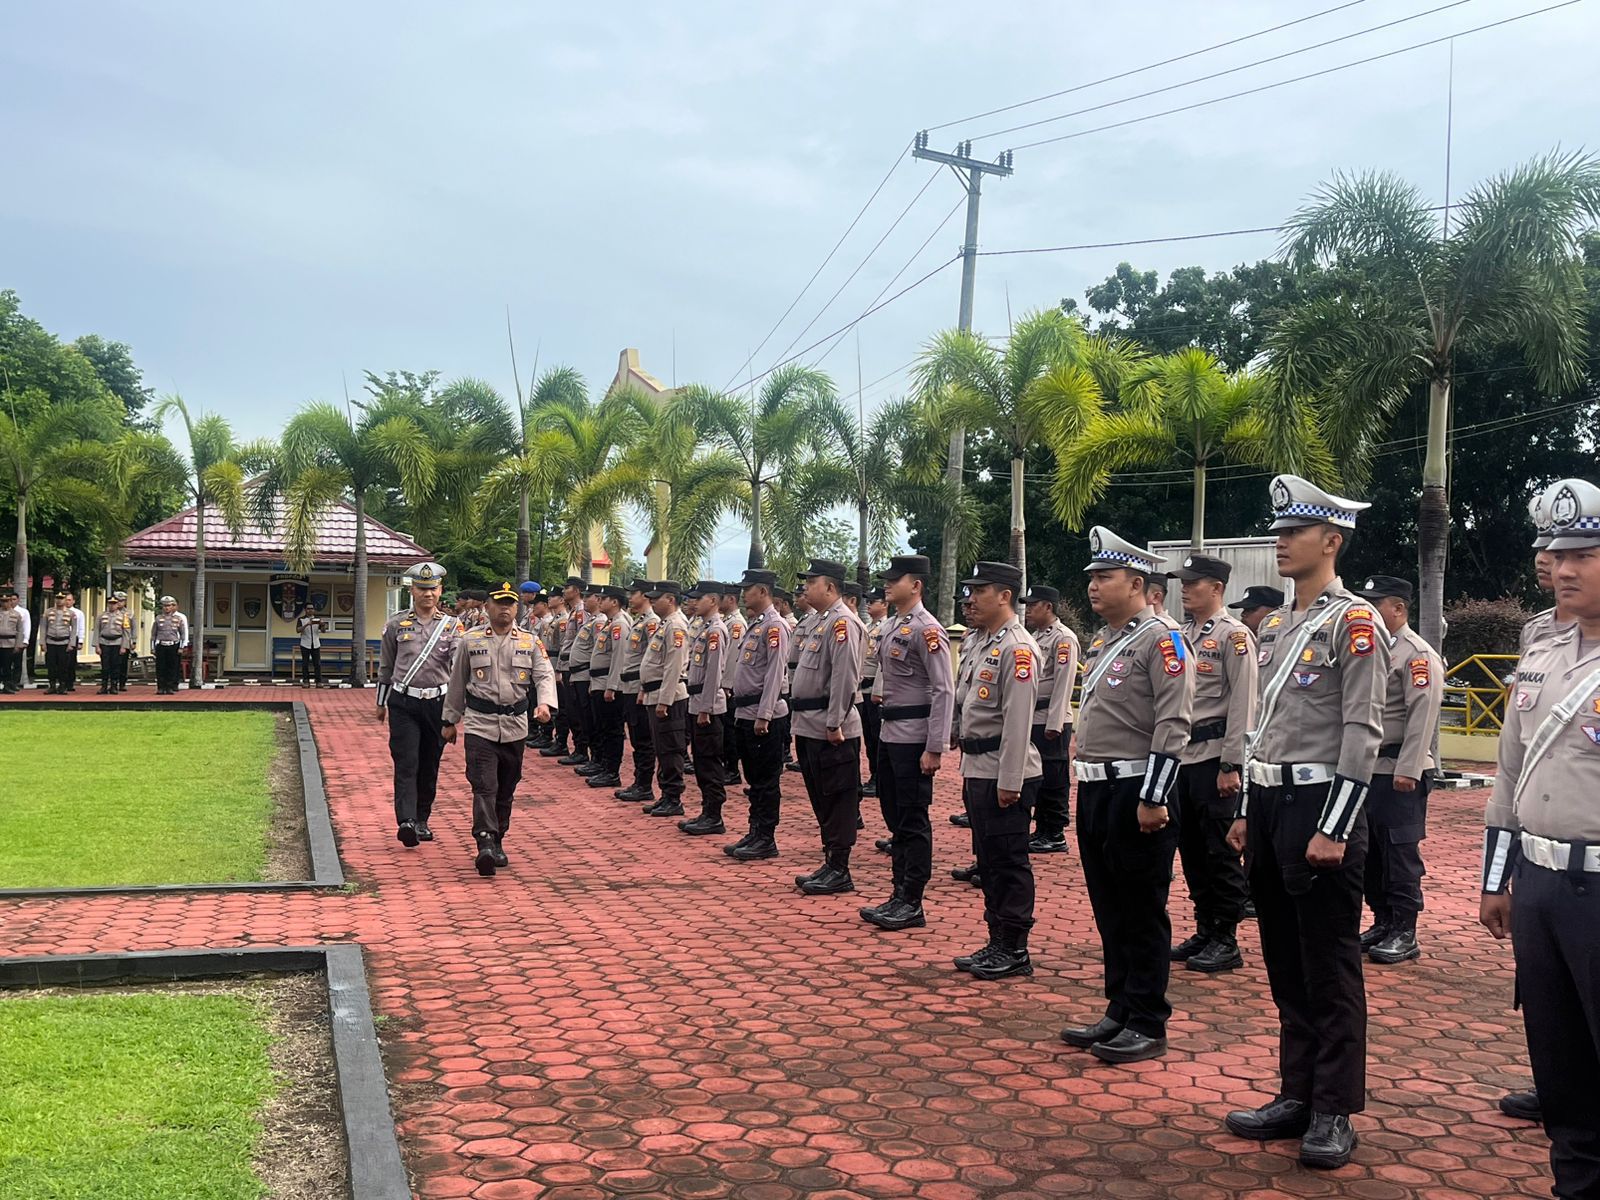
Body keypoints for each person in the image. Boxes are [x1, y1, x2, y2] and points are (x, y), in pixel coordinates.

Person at [1223, 475, 1385, 1170]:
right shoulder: (1281, 624)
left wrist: (1338, 826)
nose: (1280, 543)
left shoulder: (1355, 621)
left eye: (1294, 532)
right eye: (1279, 531)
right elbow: (1263, 727)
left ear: (1331, 540)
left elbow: (1364, 731)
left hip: (1323, 810)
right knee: (1286, 965)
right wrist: (1242, 812)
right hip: (1271, 805)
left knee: (1331, 967)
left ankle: (1334, 1107)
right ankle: (1296, 1092)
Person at [1481, 476, 1600, 1197]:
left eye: (1585, 554)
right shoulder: (1546, 650)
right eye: (1558, 554)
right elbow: (1508, 774)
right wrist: (1497, 880)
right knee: (1561, 1069)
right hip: (1541, 885)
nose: (1564, 568)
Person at [1058, 530, 1194, 1063]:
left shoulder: (1163, 639)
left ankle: (1148, 1019)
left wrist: (1154, 795)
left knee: (1141, 909)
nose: (1093, 586)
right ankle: (1119, 1006)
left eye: (1104, 577)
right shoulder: (1106, 640)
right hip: (1097, 788)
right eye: (1092, 577)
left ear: (1137, 584)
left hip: (1139, 791)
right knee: (1109, 907)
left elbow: (1173, 722)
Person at [944, 562, 1042, 980]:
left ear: (1004, 595)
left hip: (1005, 770)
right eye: (969, 591)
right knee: (988, 860)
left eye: (978, 591)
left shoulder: (1017, 648)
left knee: (1008, 862)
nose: (970, 599)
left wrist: (1010, 781)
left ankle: (1014, 948)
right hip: (978, 766)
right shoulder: (981, 642)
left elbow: (1018, 723)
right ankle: (996, 939)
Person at [1169, 553, 1257, 974]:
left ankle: (1226, 936)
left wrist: (1231, 764)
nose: (1184, 588)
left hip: (1214, 759)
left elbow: (1243, 703)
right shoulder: (1181, 633)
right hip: (1183, 759)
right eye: (1183, 583)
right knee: (1190, 850)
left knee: (1220, 851)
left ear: (1216, 588)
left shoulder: (1233, 636)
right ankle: (1205, 927)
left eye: (1193, 583)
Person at [1354, 575, 1444, 966]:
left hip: (1399, 772)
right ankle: (1382, 920)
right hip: (1368, 769)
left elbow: (1422, 715)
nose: (1370, 610)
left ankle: (1405, 929)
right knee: (1369, 851)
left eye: (1377, 604)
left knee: (1399, 852)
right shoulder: (1370, 647)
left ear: (1399, 609)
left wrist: (1407, 769)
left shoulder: (1416, 653)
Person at [861, 556, 954, 929]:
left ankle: (912, 899)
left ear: (915, 585)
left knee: (913, 820)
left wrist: (935, 746)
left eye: (895, 579)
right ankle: (898, 891)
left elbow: (943, 689)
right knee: (894, 816)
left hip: (914, 737)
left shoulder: (927, 629)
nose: (887, 585)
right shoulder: (892, 625)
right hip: (889, 733)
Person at [441, 581, 555, 877]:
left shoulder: (530, 641)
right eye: (499, 602)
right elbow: (457, 681)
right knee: (484, 785)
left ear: (517, 608)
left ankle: (498, 837)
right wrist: (449, 720)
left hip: (516, 726)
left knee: (506, 788)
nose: (504, 608)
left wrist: (544, 705)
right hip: (480, 724)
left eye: (510, 603)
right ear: (488, 606)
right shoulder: (471, 639)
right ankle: (485, 842)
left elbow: (544, 675)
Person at [788, 560, 866, 896]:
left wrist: (835, 722)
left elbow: (844, 678)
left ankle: (840, 867)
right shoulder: (819, 622)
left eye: (811, 582)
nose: (805, 587)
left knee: (838, 798)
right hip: (808, 724)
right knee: (821, 796)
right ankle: (830, 860)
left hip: (829, 727)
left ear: (830, 588)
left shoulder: (842, 624)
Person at [376, 561, 466, 847]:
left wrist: (454, 712)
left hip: (436, 704)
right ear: (412, 590)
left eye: (433, 589)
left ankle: (422, 818)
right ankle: (406, 821)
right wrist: (381, 703)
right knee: (406, 762)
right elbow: (386, 667)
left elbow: (458, 666)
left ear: (440, 591)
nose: (428, 594)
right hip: (403, 702)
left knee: (429, 763)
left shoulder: (452, 626)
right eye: (422, 588)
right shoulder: (395, 623)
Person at [726, 570, 790, 861]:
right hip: (746, 711)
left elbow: (775, 673)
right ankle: (755, 831)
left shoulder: (775, 626)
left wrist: (764, 715)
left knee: (766, 780)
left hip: (764, 716)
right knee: (753, 779)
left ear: (763, 591)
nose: (743, 594)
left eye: (748, 589)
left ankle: (766, 837)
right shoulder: (756, 625)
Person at [1020, 584, 1079, 855]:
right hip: (1033, 716)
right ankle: (1041, 829)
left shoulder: (1063, 638)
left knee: (1054, 777)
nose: (1029, 610)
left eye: (1033, 605)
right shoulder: (1035, 636)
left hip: (1051, 720)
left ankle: (1054, 832)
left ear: (1048, 607)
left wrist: (1055, 723)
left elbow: (1064, 684)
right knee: (1037, 776)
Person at [680, 581, 730, 835]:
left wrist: (706, 708)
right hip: (697, 701)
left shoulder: (716, 631)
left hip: (707, 706)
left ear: (712, 600)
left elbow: (714, 673)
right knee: (701, 761)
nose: (694, 603)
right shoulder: (704, 628)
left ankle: (714, 815)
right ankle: (707, 812)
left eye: (699, 599)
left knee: (709, 762)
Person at [639, 581, 691, 817]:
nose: (651, 601)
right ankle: (666, 795)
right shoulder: (665, 624)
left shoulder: (676, 625)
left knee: (671, 749)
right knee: (662, 748)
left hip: (667, 695)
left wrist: (665, 700)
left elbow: (674, 666)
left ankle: (673, 797)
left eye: (656, 597)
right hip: (654, 692)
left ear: (670, 599)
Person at [612, 580, 660, 804]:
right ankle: (639, 782)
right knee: (635, 737)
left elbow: (651, 659)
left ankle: (644, 785)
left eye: (635, 594)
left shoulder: (652, 623)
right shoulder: (640, 621)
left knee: (643, 739)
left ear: (646, 596)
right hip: (629, 686)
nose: (630, 598)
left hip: (639, 687)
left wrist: (643, 688)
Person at [582, 585, 628, 790]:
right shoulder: (610, 623)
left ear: (615, 602)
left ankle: (612, 771)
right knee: (602, 726)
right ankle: (604, 766)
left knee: (612, 729)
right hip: (599, 682)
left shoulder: (620, 624)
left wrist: (612, 686)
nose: (599, 602)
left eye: (604, 599)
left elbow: (619, 657)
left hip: (609, 684)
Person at [544, 576, 586, 760]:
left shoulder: (581, 612)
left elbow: (578, 643)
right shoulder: (573, 613)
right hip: (566, 664)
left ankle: (580, 750)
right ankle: (574, 747)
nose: (563, 591)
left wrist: (561, 668)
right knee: (566, 707)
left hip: (573, 666)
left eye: (567, 587)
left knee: (573, 710)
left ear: (576, 590)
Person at [858, 588, 889, 799]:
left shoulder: (886, 627)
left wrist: (879, 689)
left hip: (874, 690)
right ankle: (874, 775)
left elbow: (882, 664)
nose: (868, 605)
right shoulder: (869, 627)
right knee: (869, 737)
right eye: (867, 602)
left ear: (885, 604)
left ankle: (879, 779)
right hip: (864, 688)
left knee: (876, 738)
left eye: (873, 602)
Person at [568, 586, 601, 773]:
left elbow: (597, 652)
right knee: (581, 716)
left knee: (592, 720)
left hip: (588, 675)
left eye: (590, 596)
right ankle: (593, 757)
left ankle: (597, 759)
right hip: (578, 673)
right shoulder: (594, 621)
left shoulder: (599, 622)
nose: (585, 599)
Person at [718, 584, 747, 787]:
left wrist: (726, 685)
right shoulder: (726, 622)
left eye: (722, 598)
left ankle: (732, 769)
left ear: (731, 599)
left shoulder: (736, 624)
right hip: (724, 685)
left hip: (729, 687)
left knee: (729, 729)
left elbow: (732, 657)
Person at [43, 590, 84, 694]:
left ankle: (62, 685)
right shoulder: (48, 612)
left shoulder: (71, 613)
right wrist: (42, 643)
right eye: (58, 598)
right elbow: (44, 628)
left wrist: (72, 643)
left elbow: (74, 629)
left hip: (64, 642)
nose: (59, 601)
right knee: (51, 665)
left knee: (63, 665)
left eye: (62, 599)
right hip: (51, 641)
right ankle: (52, 685)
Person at [95, 592, 133, 694]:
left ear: (117, 604)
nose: (112, 605)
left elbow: (126, 632)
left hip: (117, 642)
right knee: (105, 666)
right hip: (104, 642)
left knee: (115, 665)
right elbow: (97, 631)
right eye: (110, 603)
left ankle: (114, 685)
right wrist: (97, 645)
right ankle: (103, 686)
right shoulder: (101, 616)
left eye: (114, 603)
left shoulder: (124, 616)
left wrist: (124, 646)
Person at [151, 595, 189, 695]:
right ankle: (161, 687)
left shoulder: (178, 618)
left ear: (173, 607)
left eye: (169, 606)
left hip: (173, 645)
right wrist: (153, 647)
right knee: (160, 667)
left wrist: (181, 647)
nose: (167, 608)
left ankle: (169, 687)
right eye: (165, 606)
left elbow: (182, 634)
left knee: (171, 667)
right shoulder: (158, 618)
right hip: (161, 645)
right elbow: (153, 634)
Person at [0, 587, 25, 694]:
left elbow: (20, 631)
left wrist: (18, 645)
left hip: (10, 643)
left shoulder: (16, 615)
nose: (4, 603)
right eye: (2, 601)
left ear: (11, 601)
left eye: (7, 601)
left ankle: (7, 685)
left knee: (7, 666)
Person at [297, 603, 325, 686]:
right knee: (305, 663)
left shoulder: (317, 619)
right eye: (308, 608)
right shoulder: (301, 619)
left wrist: (322, 625)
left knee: (317, 663)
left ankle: (318, 681)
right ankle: (306, 680)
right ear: (305, 610)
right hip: (305, 643)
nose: (310, 610)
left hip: (316, 643)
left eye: (312, 608)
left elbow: (323, 631)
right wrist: (307, 624)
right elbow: (298, 630)